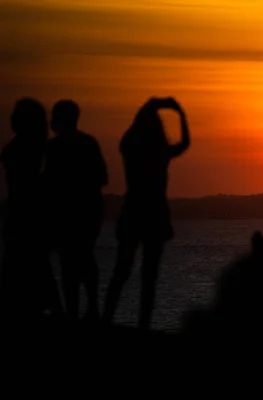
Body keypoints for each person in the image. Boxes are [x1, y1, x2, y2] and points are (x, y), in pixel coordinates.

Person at [102, 97, 191, 330]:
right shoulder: (160, 154)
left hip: (135, 212)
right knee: (147, 276)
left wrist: (151, 106)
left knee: (122, 271)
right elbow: (184, 143)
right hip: (153, 215)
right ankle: (143, 325)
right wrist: (179, 113)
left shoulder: (131, 148)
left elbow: (182, 144)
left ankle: (106, 319)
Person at [44, 100, 108, 323]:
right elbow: (102, 177)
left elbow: (49, 184)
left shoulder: (56, 148)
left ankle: (80, 310)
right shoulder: (86, 143)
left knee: (72, 261)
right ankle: (87, 308)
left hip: (76, 213)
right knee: (79, 259)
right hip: (83, 212)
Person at [0, 98, 62, 323]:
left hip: (23, 213)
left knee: (25, 262)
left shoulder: (22, 148)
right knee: (34, 263)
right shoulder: (37, 148)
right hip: (29, 213)